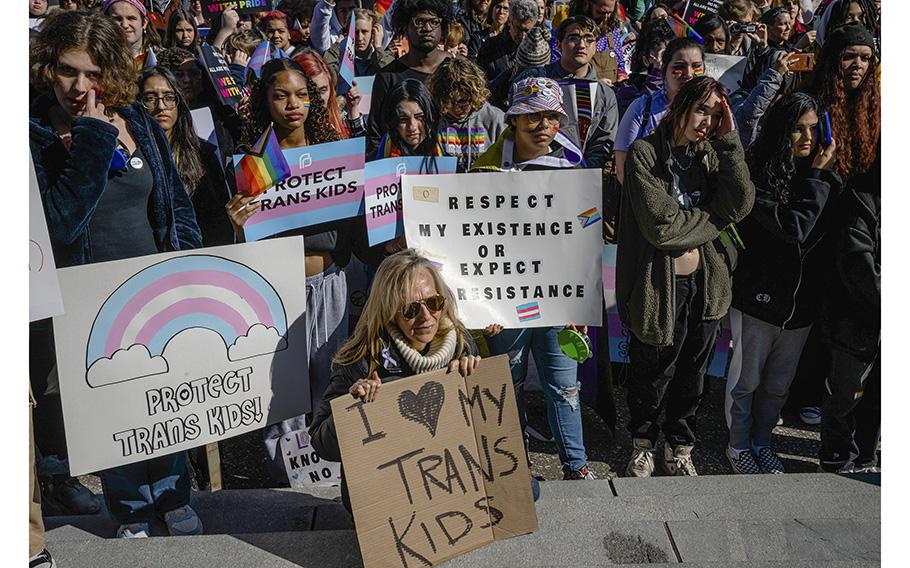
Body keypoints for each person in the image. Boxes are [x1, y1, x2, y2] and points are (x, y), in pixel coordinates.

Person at [30, 9, 203, 537]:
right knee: (113, 409)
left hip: (155, 289)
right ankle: (129, 508)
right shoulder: (33, 133)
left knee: (163, 398)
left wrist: (189, 267)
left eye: (92, 73)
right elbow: (60, 223)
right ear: (46, 69)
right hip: (89, 299)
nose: (80, 86)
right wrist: (90, 140)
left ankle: (174, 495)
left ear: (111, 71)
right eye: (67, 71)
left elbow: (174, 203)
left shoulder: (139, 120)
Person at [226, 58, 370, 481]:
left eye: (302, 95)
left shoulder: (334, 158)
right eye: (281, 95)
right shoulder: (254, 165)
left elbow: (356, 229)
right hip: (277, 290)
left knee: (332, 379)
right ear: (264, 101)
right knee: (284, 391)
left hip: (330, 287)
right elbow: (244, 248)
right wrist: (237, 226)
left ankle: (337, 472)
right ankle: (289, 478)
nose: (294, 104)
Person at [616, 76, 754, 477]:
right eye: (701, 110)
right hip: (658, 286)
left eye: (715, 114)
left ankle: (681, 446)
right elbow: (662, 227)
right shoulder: (645, 153)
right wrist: (714, 217)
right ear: (680, 107)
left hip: (706, 284)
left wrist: (729, 143)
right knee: (652, 372)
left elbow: (741, 202)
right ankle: (643, 444)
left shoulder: (710, 154)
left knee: (693, 373)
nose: (707, 121)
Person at [470, 77, 594, 481]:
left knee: (565, 387)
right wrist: (481, 306)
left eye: (551, 117)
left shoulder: (574, 162)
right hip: (506, 303)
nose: (542, 126)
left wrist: (580, 304)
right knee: (509, 383)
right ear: (514, 118)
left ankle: (576, 466)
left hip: (557, 299)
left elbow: (584, 234)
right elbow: (471, 241)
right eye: (532, 117)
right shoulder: (484, 169)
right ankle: (514, 467)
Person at [309, 250, 481, 512]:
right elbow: (322, 444)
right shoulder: (361, 358)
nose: (426, 317)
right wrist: (349, 409)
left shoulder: (461, 344)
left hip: (445, 475)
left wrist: (474, 380)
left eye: (433, 303)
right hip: (392, 492)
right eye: (411, 309)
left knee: (526, 489)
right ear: (389, 311)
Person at [724, 93, 840, 475]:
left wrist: (821, 176)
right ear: (781, 131)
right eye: (797, 129)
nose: (807, 138)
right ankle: (738, 446)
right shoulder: (760, 177)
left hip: (801, 308)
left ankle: (761, 442)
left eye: (812, 129)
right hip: (759, 301)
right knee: (746, 381)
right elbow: (793, 227)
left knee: (777, 386)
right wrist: (817, 178)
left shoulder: (824, 179)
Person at [811, 22, 880, 474]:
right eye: (848, 56)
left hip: (867, 230)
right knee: (839, 356)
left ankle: (863, 446)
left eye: (864, 57)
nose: (856, 65)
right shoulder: (817, 106)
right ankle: (835, 443)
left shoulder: (882, 110)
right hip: (824, 232)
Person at [138, 66, 234, 247]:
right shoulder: (130, 157)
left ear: (178, 103)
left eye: (168, 98)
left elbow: (218, 220)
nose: (161, 106)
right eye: (150, 98)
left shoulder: (203, 154)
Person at [516, 14, 619, 169]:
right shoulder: (536, 78)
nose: (582, 45)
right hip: (534, 175)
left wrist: (584, 173)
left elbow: (603, 142)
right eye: (574, 38)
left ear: (595, 46)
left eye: (589, 39)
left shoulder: (604, 94)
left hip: (581, 179)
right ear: (558, 44)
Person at [365, 0, 453, 157]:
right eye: (419, 22)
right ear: (405, 26)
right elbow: (375, 135)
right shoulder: (387, 76)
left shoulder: (457, 69)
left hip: (449, 170)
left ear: (443, 26)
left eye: (434, 22)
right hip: (399, 170)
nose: (427, 28)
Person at [614, 36, 704, 183]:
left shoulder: (715, 110)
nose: (689, 74)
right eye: (679, 67)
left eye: (696, 66)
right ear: (664, 70)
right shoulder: (642, 107)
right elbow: (622, 170)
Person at [427, 57, 506, 171]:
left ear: (475, 94)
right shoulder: (433, 120)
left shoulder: (495, 119)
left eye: (462, 101)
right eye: (449, 102)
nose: (456, 108)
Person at [552, 0, 631, 84]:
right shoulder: (568, 29)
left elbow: (620, 63)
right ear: (587, 5)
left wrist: (622, 76)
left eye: (609, 13)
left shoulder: (612, 30)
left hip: (610, 94)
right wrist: (594, 83)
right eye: (600, 12)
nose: (605, 17)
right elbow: (556, 68)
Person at [294, 50, 366, 139]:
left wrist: (353, 109)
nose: (319, 98)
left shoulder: (335, 123)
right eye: (310, 92)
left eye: (323, 90)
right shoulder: (290, 132)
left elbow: (360, 149)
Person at [614, 17, 675, 118]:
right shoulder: (629, 90)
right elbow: (639, 116)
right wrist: (657, 75)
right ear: (646, 60)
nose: (674, 59)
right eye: (666, 55)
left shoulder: (683, 84)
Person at [375, 78, 443, 158]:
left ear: (431, 116)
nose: (412, 127)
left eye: (420, 117)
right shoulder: (387, 144)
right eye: (403, 119)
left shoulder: (445, 142)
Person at [477, 0, 538, 83]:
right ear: (510, 22)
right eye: (519, 29)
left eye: (527, 31)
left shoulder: (539, 50)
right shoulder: (490, 47)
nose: (522, 36)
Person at [324, 8, 394, 79]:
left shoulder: (384, 56)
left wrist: (378, 47)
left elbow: (392, 75)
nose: (360, 38)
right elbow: (326, 74)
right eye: (355, 32)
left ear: (373, 32)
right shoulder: (342, 61)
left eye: (364, 32)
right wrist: (338, 43)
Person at [103, 0, 160, 69]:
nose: (125, 25)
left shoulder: (161, 59)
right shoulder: (99, 59)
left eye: (131, 18)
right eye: (118, 19)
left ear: (144, 22)